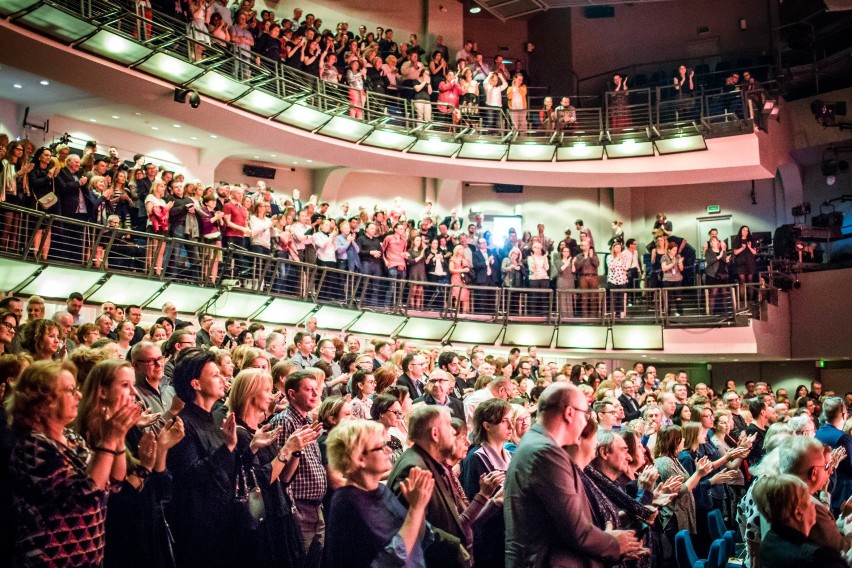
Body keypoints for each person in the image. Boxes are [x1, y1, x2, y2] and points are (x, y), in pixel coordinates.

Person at [7, 360, 140, 567]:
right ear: (43, 399)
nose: (78, 395)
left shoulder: (72, 437)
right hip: (50, 560)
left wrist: (118, 437)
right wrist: (108, 439)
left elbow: (113, 483)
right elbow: (85, 496)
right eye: (70, 390)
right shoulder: (33, 446)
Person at [505, 383, 642, 567]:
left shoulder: (535, 443)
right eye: (585, 414)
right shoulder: (545, 452)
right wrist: (615, 544)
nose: (586, 423)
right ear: (569, 412)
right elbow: (575, 530)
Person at [227, 368, 321, 567]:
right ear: (250, 393)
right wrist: (287, 449)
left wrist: (296, 450)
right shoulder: (241, 434)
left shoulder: (260, 431)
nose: (272, 396)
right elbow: (262, 479)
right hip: (262, 520)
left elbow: (284, 478)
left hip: (279, 510)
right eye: (267, 390)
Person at [325, 419, 435, 567]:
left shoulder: (380, 490)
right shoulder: (347, 502)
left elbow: (416, 539)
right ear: (359, 458)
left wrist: (417, 508)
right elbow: (389, 560)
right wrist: (415, 509)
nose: (389, 450)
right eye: (381, 447)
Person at [387, 406, 472, 567]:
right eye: (448, 426)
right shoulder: (413, 469)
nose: (454, 432)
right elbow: (414, 532)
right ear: (435, 434)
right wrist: (454, 547)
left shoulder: (424, 461)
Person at [269, 370, 327, 568]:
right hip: (298, 507)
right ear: (292, 394)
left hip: (316, 507)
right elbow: (281, 471)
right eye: (308, 390)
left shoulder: (309, 421)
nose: (314, 394)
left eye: (316, 389)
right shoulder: (284, 421)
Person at [752, 473, 847, 568]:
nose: (814, 505)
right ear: (798, 513)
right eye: (810, 501)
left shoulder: (768, 543)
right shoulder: (818, 557)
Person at [462, 398, 513, 567]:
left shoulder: (510, 455)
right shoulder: (476, 458)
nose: (511, 426)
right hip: (489, 542)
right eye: (504, 421)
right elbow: (472, 508)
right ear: (487, 425)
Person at [815, 396, 852, 513]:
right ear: (843, 414)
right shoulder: (843, 437)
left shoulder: (820, 431)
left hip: (829, 486)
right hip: (843, 490)